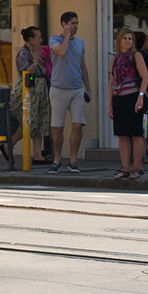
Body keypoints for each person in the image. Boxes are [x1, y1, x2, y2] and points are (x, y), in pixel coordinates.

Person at [47, 11, 92, 173]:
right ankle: (57, 160)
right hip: (59, 88)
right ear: (64, 24)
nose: (76, 26)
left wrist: (88, 89)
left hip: (76, 89)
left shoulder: (80, 43)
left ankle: (73, 160)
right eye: (72, 23)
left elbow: (83, 66)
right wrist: (66, 35)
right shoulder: (55, 39)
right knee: (57, 126)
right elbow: (62, 52)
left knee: (77, 124)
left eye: (77, 23)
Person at [108, 29, 148, 180]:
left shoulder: (136, 56)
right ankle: (125, 167)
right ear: (119, 40)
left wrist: (140, 97)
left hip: (133, 97)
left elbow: (145, 78)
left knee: (136, 133)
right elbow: (111, 82)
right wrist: (110, 104)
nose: (127, 41)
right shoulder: (115, 59)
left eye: (130, 38)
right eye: (125, 38)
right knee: (122, 134)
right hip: (119, 98)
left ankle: (136, 167)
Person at [15, 26, 53, 165]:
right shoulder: (23, 54)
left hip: (41, 88)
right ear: (31, 39)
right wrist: (36, 61)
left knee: (39, 122)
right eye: (38, 37)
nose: (41, 39)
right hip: (29, 89)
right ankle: (9, 144)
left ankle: (38, 155)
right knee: (29, 121)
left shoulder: (38, 51)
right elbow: (26, 74)